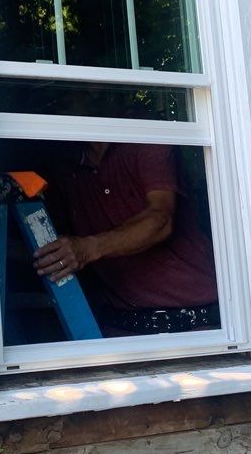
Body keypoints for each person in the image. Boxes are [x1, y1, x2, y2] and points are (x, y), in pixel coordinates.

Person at [32, 142, 220, 336]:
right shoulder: (63, 166)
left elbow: (160, 221)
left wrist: (86, 249)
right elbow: (54, 242)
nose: (60, 112)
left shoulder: (146, 142)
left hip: (196, 325)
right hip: (120, 329)